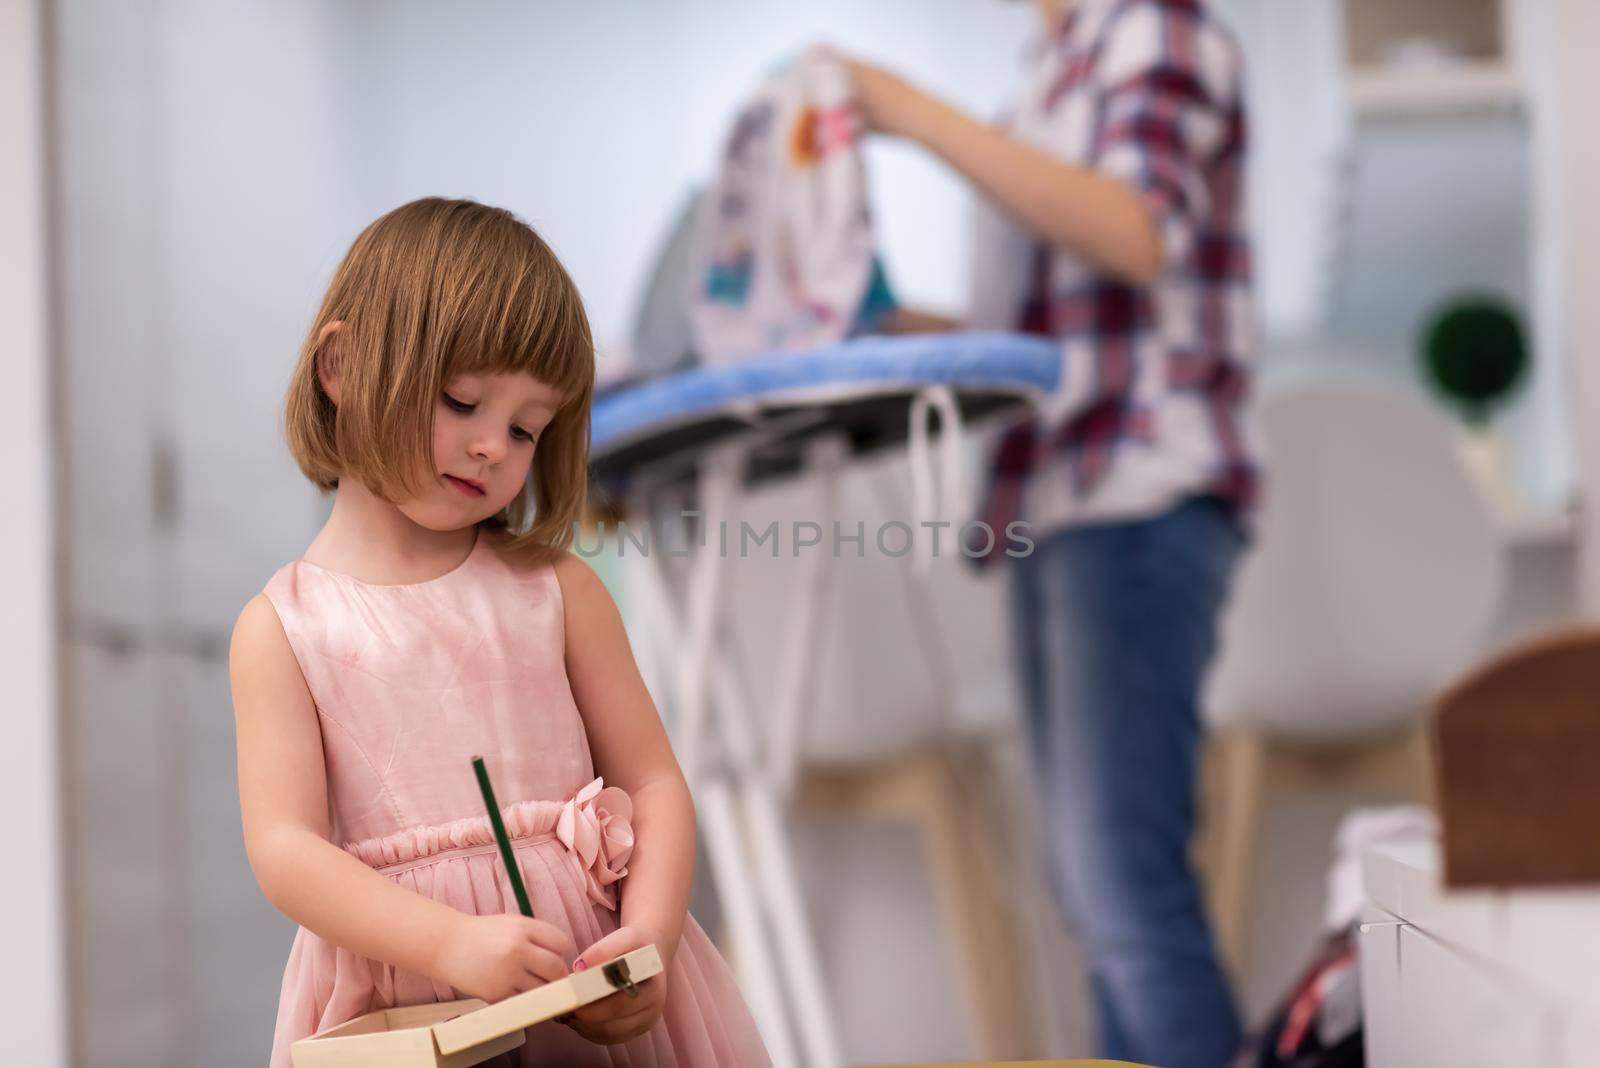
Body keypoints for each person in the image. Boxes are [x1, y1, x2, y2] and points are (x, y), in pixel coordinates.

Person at [229, 197, 772, 1067]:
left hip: (585, 986)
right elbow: (286, 850)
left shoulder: (557, 590)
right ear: (340, 366)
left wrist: (649, 939)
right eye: (463, 401)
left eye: (526, 428)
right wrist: (446, 942)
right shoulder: (281, 629)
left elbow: (656, 783)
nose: (493, 446)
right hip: (409, 1004)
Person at [843, 1, 1257, 1065]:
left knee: (1123, 879)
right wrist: (895, 326)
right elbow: (1043, 329)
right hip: (1064, 498)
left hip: (1140, 487)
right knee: (1094, 887)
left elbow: (1130, 229)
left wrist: (913, 114)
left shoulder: (1153, 31)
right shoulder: (1053, 72)